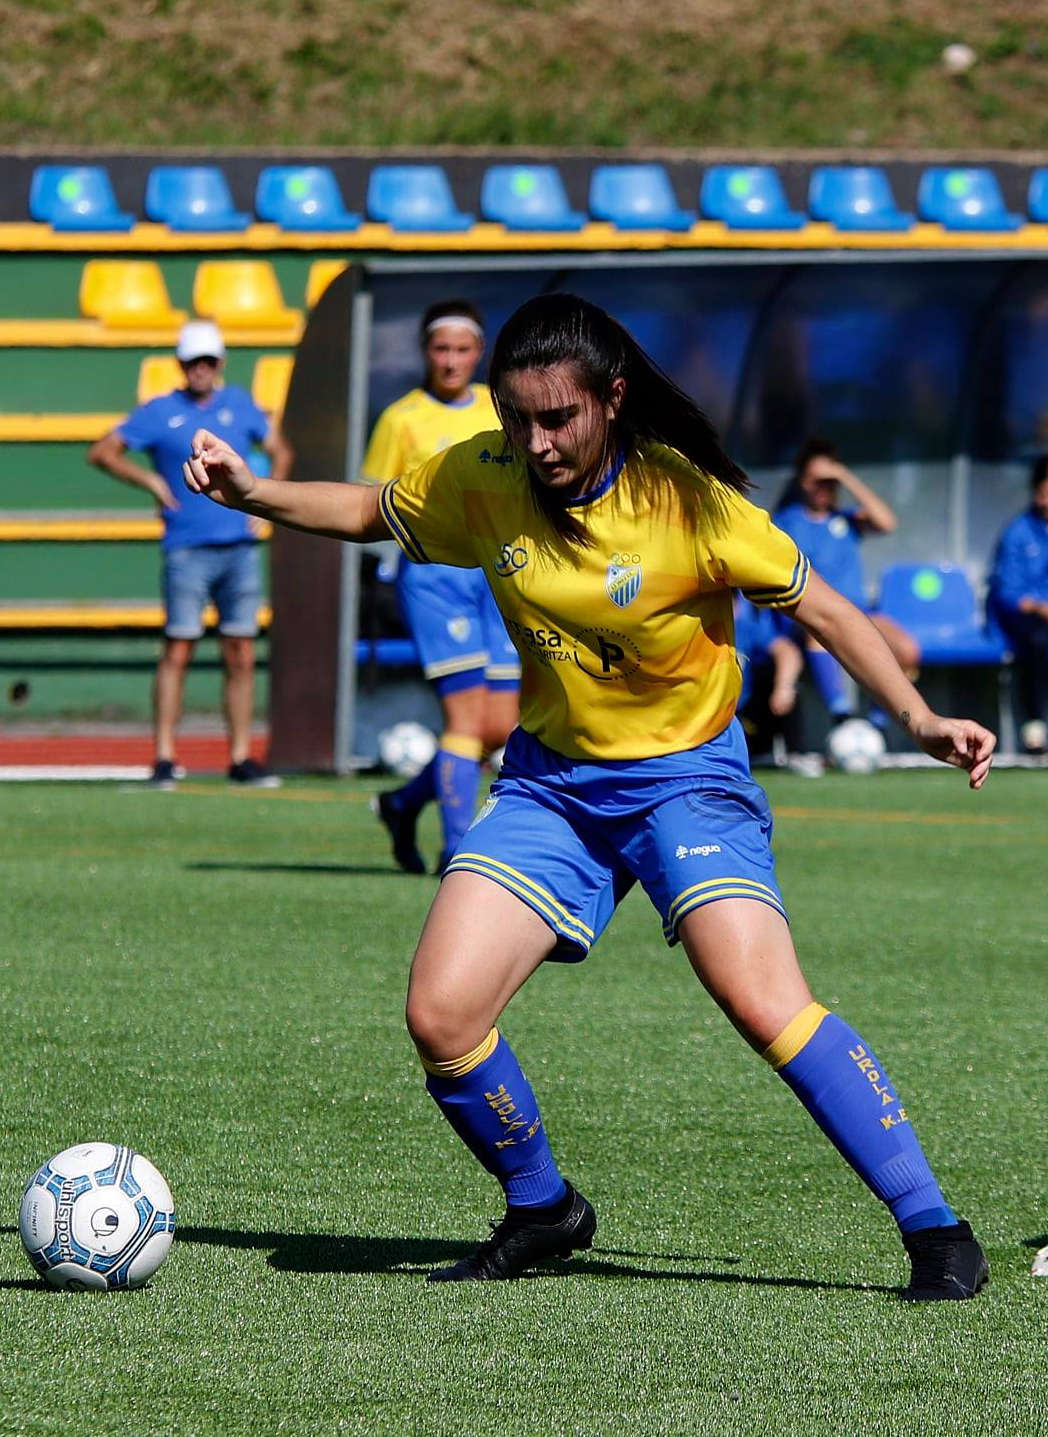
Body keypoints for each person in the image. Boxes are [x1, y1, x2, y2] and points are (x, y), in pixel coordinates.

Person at [183, 293, 994, 1300]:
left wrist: (916, 719)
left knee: (760, 1000)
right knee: (442, 1014)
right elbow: (368, 510)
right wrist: (253, 492)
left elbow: (825, 610)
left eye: (556, 419)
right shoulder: (483, 475)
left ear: (611, 400)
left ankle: (934, 1229)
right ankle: (544, 1211)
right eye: (515, 417)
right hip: (552, 786)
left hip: (686, 784)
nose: (536, 441)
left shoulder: (689, 503)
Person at [89, 320, 292, 788]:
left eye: (207, 361)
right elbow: (103, 451)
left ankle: (241, 756)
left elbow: (280, 450)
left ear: (219, 364)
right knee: (178, 648)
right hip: (187, 547)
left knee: (240, 651)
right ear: (181, 366)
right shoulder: (160, 412)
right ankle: (164, 756)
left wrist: (266, 503)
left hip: (238, 547)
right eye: (191, 362)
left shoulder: (240, 405)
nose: (200, 370)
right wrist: (153, 481)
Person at [363, 300, 520, 874]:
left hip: (497, 571)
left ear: (478, 354)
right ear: (426, 353)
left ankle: (402, 804)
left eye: (461, 349)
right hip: (433, 577)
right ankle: (459, 853)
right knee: (464, 722)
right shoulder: (402, 419)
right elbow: (370, 499)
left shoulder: (497, 410)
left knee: (499, 726)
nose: (451, 361)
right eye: (440, 349)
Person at [775, 438, 920, 729]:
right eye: (818, 480)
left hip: (860, 612)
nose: (825, 488)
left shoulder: (846, 519)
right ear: (803, 481)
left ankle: (877, 726)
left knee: (906, 648)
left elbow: (886, 522)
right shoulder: (786, 522)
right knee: (819, 629)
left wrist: (845, 476)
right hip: (812, 615)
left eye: (831, 482)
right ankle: (841, 717)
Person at [987, 455, 1048, 753]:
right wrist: (1040, 608)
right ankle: (1034, 726)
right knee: (1038, 640)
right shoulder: (1018, 533)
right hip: (1022, 622)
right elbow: (1007, 593)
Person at [732, 594, 816, 773]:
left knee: (785, 684)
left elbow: (787, 651)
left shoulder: (748, 621)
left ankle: (796, 755)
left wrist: (783, 687)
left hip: (740, 714)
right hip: (701, 715)